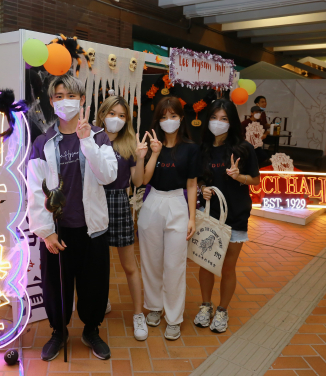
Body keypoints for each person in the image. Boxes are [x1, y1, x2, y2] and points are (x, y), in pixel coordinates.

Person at [26, 74, 118, 361]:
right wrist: (45, 231)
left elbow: (108, 175)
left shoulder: (99, 136)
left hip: (92, 229)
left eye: (71, 95)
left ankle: (91, 330)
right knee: (56, 286)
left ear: (82, 100)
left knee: (94, 284)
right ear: (52, 102)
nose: (64, 101)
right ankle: (58, 332)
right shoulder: (43, 142)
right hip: (58, 230)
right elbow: (35, 189)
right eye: (58, 96)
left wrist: (86, 141)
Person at [194, 98, 260, 333]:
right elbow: (197, 178)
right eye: (213, 118)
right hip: (209, 215)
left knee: (227, 267)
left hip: (236, 215)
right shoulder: (202, 148)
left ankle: (222, 310)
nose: (218, 123)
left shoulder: (243, 149)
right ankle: (205, 305)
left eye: (223, 119)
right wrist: (203, 188)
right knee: (206, 264)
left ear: (232, 122)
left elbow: (255, 180)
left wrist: (238, 176)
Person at [138, 96, 200, 341]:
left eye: (173, 116)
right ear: (157, 121)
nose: (168, 121)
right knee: (151, 260)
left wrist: (192, 217)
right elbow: (144, 180)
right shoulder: (154, 145)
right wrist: (153, 153)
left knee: (174, 265)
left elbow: (192, 185)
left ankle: (174, 318)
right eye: (163, 117)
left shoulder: (191, 148)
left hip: (177, 203)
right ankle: (154, 307)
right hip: (153, 202)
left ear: (181, 118)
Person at [96, 95, 149, 341]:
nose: (115, 119)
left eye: (121, 115)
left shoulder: (129, 144)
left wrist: (140, 157)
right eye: (111, 113)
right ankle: (100, 300)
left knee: (129, 265)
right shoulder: (92, 139)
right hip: (93, 202)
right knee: (96, 262)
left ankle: (138, 314)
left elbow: (138, 182)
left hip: (118, 201)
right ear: (102, 114)